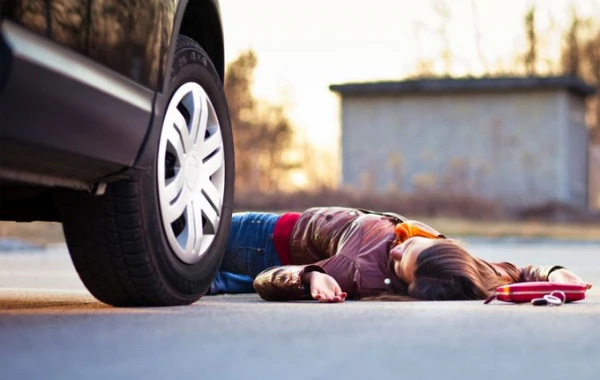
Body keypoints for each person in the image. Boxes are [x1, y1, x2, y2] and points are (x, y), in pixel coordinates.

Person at [208, 207, 591, 303]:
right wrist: (552, 271)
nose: (398, 249)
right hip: (272, 233)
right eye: (411, 248)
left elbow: (266, 280)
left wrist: (308, 277)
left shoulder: (353, 269)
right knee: (186, 278)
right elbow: (511, 272)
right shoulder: (457, 265)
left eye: (399, 266)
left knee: (160, 244)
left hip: (258, 239)